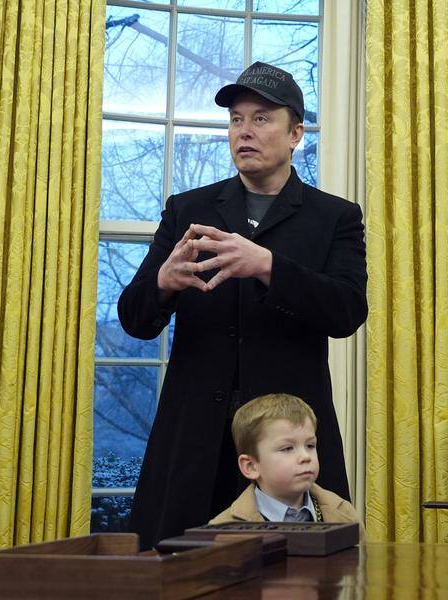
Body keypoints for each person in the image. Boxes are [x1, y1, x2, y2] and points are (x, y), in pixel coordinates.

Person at [117, 62, 367, 549]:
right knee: (179, 570)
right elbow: (134, 318)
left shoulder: (334, 216)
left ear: (295, 134)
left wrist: (268, 266)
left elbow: (347, 311)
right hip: (193, 437)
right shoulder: (188, 210)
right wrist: (163, 283)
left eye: (261, 119)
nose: (243, 131)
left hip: (285, 439)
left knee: (300, 572)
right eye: (236, 119)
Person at [209, 393, 361, 528]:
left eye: (310, 445)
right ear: (251, 466)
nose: (306, 456)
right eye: (287, 448)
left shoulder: (344, 515)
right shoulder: (222, 530)